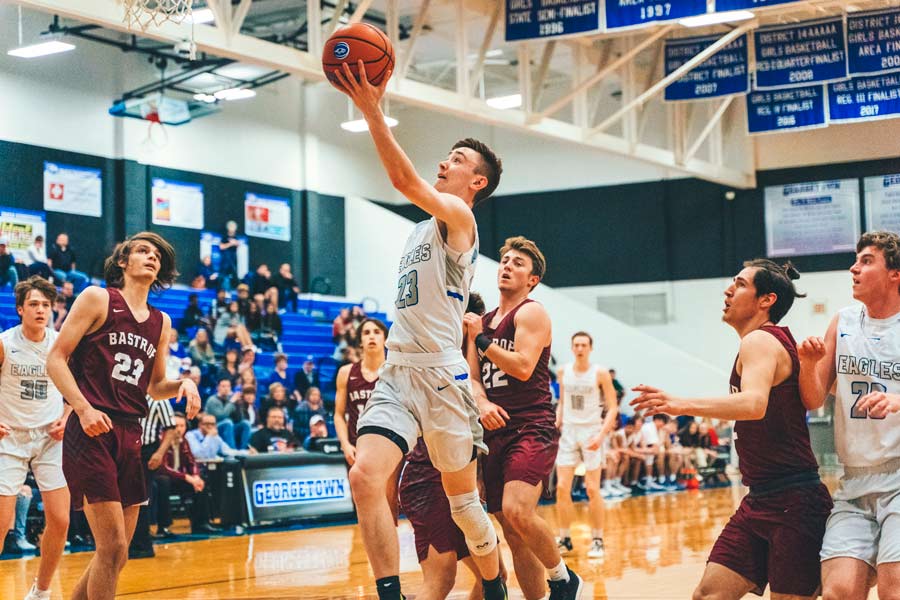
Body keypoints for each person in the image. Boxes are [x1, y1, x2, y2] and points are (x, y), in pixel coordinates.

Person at [333, 58, 506, 600]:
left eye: (456, 159)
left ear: (475, 181)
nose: (444, 161)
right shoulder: (417, 231)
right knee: (365, 477)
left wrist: (373, 111)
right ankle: (391, 593)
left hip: (442, 379)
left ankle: (495, 587)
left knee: (464, 503)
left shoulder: (461, 219)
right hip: (399, 372)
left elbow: (401, 178)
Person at [631, 259, 833, 600]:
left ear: (766, 300)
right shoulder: (770, 342)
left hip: (795, 501)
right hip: (760, 498)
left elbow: (754, 404)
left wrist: (680, 404)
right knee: (708, 594)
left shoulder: (760, 341)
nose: (728, 290)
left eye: (739, 284)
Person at [46, 231, 201, 600]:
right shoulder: (98, 298)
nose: (152, 257)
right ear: (122, 262)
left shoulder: (161, 322)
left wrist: (184, 384)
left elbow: (156, 385)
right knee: (111, 547)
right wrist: (82, 409)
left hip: (132, 433)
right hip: (92, 429)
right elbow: (56, 359)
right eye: (143, 251)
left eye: (157, 256)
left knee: (118, 556)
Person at [465, 236, 582, 599]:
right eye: (505, 260)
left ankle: (563, 578)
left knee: (518, 510)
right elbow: (470, 377)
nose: (507, 266)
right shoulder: (482, 321)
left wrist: (482, 340)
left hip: (531, 426)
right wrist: (481, 404)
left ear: (532, 279)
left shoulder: (532, 312)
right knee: (514, 534)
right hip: (494, 431)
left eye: (518, 263)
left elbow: (523, 366)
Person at [797, 231, 900, 600]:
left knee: (894, 591)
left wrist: (898, 400)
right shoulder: (842, 322)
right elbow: (811, 399)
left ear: (895, 274)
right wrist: (809, 366)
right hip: (854, 480)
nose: (854, 268)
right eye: (856, 260)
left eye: (867, 261)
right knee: (838, 592)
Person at [0, 277, 71, 600]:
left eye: (46, 304)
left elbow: (79, 388)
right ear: (20, 309)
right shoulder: (4, 342)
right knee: (2, 524)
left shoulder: (60, 344)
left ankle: (41, 591)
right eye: (34, 304)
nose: (41, 310)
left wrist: (67, 418)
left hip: (49, 440)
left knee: (60, 519)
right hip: (10, 439)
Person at [555, 331, 618, 559]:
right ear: (572, 348)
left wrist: (601, 436)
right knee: (562, 487)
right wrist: (557, 421)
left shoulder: (600, 373)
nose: (580, 348)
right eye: (576, 345)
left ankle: (598, 540)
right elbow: (562, 402)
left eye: (583, 345)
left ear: (590, 348)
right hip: (569, 432)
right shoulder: (563, 371)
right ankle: (565, 538)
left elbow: (612, 408)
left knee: (592, 489)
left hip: (592, 430)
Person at [334, 318, 388, 466]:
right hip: (357, 448)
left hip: (389, 447)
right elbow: (339, 414)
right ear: (360, 341)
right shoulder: (346, 372)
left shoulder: (395, 372)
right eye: (366, 333)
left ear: (385, 339)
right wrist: (345, 445)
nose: (371, 336)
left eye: (377, 332)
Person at [155, 413, 218, 535]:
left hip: (179, 479)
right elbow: (163, 468)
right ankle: (163, 527)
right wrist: (186, 477)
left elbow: (191, 462)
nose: (179, 429)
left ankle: (201, 523)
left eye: (182, 426)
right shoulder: (160, 441)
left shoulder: (184, 441)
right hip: (164, 479)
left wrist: (195, 476)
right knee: (163, 481)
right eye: (176, 425)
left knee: (201, 479)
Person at [205, 377, 251, 450]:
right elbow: (221, 416)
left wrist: (238, 404)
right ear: (218, 388)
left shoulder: (231, 399)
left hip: (230, 427)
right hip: (214, 428)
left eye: (228, 386)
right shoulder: (212, 400)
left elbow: (239, 419)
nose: (226, 388)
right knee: (227, 422)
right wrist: (231, 402)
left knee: (245, 423)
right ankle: (232, 451)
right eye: (223, 386)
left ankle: (243, 450)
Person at [218, 221, 240, 290]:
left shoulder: (236, 237)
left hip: (233, 258)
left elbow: (238, 244)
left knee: (234, 272)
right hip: (225, 258)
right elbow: (221, 247)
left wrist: (235, 243)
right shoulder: (224, 237)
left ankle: (235, 288)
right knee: (223, 273)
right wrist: (230, 244)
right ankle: (221, 288)